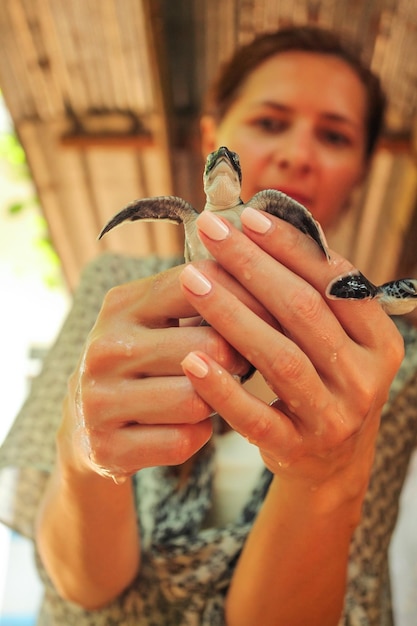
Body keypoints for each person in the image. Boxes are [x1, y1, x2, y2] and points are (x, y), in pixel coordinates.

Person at [0, 24, 416, 626]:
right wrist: (83, 449)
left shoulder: (382, 352)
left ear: (360, 172)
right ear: (212, 141)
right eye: (270, 122)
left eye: (334, 135)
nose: (298, 152)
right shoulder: (119, 288)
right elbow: (80, 585)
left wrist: (330, 476)